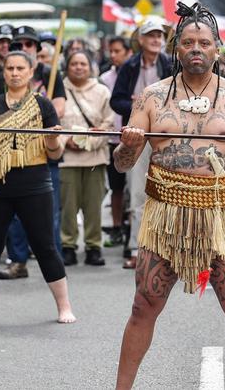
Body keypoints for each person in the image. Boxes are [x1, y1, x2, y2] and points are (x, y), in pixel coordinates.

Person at [113, 3, 225, 389]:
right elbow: (123, 164)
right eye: (187, 42)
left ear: (216, 50)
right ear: (176, 48)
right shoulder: (151, 98)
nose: (195, 48)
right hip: (165, 216)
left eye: (204, 42)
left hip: (221, 216)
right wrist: (129, 144)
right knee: (143, 305)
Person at [0, 51, 76, 323]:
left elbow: (54, 155)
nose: (15, 73)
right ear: (3, 72)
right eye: (10, 68)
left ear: (31, 71)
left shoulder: (43, 105)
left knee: (45, 246)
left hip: (35, 184)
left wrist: (54, 140)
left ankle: (64, 306)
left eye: (20, 68)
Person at [0, 25, 66, 280]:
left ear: (37, 50)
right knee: (15, 213)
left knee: (50, 212)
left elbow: (59, 108)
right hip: (14, 154)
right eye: (19, 46)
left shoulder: (51, 74)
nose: (23, 49)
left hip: (43, 152)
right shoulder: (5, 78)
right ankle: (18, 261)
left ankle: (54, 261)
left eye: (29, 45)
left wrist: (42, 105)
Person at [110, 17, 172, 269]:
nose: (157, 39)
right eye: (151, 35)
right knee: (137, 192)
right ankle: (137, 247)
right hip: (137, 136)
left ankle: (166, 247)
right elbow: (117, 101)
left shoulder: (170, 64)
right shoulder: (130, 66)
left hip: (167, 136)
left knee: (168, 191)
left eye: (160, 35)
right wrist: (138, 106)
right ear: (141, 40)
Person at [59, 50, 114, 266]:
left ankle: (93, 246)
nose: (79, 67)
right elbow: (52, 120)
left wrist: (89, 143)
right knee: (68, 206)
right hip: (67, 158)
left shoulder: (102, 91)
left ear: (90, 67)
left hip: (95, 158)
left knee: (93, 206)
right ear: (68, 66)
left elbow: (109, 124)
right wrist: (68, 141)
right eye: (74, 64)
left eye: (83, 63)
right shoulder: (59, 89)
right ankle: (68, 245)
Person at [99, 36, 133, 248]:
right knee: (117, 187)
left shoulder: (135, 73)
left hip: (135, 138)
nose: (113, 55)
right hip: (113, 137)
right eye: (111, 51)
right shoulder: (105, 78)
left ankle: (132, 227)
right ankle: (117, 226)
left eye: (117, 50)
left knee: (135, 187)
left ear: (128, 52)